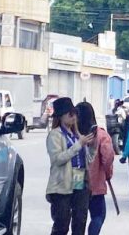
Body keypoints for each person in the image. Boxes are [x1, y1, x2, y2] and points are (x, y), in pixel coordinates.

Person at [45, 98, 95, 235]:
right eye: (70, 114)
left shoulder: (76, 134)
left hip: (79, 179)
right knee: (61, 224)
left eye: (75, 113)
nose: (73, 117)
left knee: (80, 221)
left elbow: (88, 159)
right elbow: (57, 159)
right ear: (61, 116)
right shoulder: (55, 135)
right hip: (62, 184)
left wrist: (91, 145)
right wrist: (78, 144)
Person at [76, 101, 115, 235]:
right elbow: (108, 157)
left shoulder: (73, 134)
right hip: (95, 184)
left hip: (75, 183)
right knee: (98, 215)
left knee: (78, 218)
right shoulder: (101, 135)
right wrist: (108, 174)